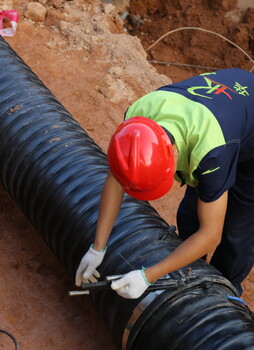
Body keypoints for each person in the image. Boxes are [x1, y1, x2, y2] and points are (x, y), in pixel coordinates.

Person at [75, 68, 254, 299]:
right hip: (224, 115)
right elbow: (117, 177)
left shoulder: (210, 152)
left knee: (235, 232)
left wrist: (148, 276)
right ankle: (189, 273)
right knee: (191, 216)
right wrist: (97, 248)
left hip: (238, 131)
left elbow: (211, 234)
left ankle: (223, 296)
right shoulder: (137, 120)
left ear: (174, 157)